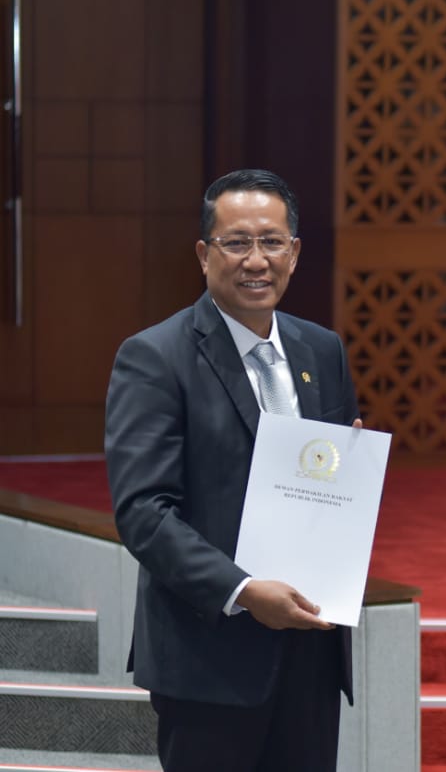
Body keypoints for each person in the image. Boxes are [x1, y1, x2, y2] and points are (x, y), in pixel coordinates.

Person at [105, 169, 359, 772]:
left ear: (294, 253)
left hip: (309, 651)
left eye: (272, 242)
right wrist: (242, 592)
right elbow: (144, 513)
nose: (256, 260)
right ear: (203, 253)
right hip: (208, 657)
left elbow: (331, 480)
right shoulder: (155, 356)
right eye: (236, 242)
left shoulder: (323, 350)